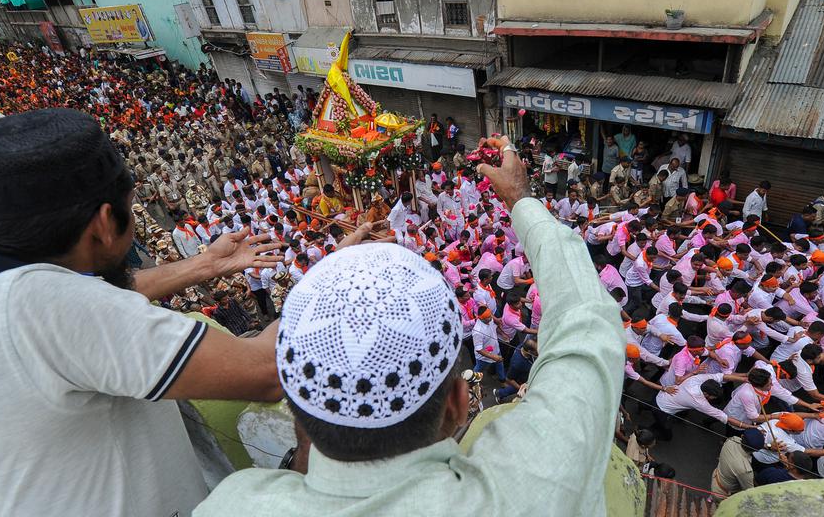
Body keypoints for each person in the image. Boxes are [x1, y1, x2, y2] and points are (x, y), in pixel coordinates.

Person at [196, 137, 625, 516]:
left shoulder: (235, 503)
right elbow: (586, 322)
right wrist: (519, 198)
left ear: (298, 421)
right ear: (459, 405)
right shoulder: (528, 489)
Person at [0, 109, 286, 516]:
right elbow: (268, 372)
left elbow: (92, 299)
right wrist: (330, 279)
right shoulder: (49, 306)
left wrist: (204, 265)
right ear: (104, 222)